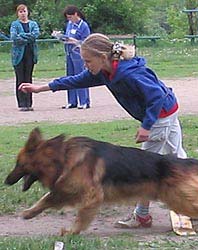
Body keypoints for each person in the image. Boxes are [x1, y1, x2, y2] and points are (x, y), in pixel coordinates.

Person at [19, 33, 188, 229]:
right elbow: (76, 81)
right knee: (179, 159)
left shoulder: (129, 73)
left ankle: (143, 215)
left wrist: (147, 126)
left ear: (102, 57)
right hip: (167, 112)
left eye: (88, 61)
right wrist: (41, 88)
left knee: (145, 170)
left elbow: (156, 96)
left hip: (161, 117)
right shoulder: (105, 72)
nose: (85, 65)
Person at [10, 4, 40, 111]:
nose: (23, 14)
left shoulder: (33, 24)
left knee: (28, 78)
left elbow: (35, 34)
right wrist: (27, 37)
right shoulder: (14, 24)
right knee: (20, 78)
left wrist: (22, 36)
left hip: (30, 54)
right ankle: (21, 103)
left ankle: (29, 103)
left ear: (28, 12)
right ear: (17, 13)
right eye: (20, 12)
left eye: (24, 11)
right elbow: (14, 37)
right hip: (18, 56)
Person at [61, 5, 91, 109]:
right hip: (69, 53)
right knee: (70, 77)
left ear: (76, 14)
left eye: (70, 17)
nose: (69, 20)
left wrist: (73, 41)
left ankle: (84, 101)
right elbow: (67, 36)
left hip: (79, 54)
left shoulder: (84, 26)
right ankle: (72, 101)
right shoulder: (69, 24)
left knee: (80, 76)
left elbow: (86, 42)